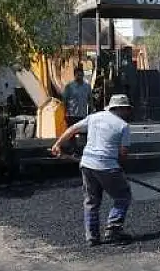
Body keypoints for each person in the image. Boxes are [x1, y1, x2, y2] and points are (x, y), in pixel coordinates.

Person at [51, 93, 133, 246]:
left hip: (87, 164)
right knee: (123, 196)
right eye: (127, 109)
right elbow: (123, 153)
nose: (128, 112)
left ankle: (92, 237)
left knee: (91, 201)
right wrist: (120, 168)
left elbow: (72, 129)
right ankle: (113, 230)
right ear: (121, 109)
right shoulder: (123, 126)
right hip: (107, 166)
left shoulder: (94, 117)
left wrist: (57, 144)